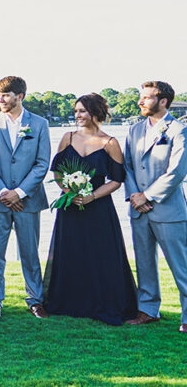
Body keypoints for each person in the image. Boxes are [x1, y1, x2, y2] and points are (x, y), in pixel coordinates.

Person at [42, 94, 137, 325]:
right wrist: (69, 192)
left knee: (101, 255)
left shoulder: (110, 143)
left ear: (95, 112)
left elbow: (116, 180)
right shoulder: (67, 138)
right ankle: (69, 302)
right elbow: (57, 172)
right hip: (70, 207)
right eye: (76, 111)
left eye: (82, 111)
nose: (78, 115)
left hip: (99, 208)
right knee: (71, 252)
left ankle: (103, 302)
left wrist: (91, 196)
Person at [0, 76, 51, 319]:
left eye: (6, 95)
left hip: (28, 201)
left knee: (30, 253)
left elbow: (42, 164)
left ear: (20, 96)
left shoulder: (39, 124)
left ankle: (35, 300)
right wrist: (3, 192)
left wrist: (19, 193)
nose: (1, 99)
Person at [123, 81, 187, 332]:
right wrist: (134, 197)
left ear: (163, 101)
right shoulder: (134, 129)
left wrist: (147, 196)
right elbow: (127, 166)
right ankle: (148, 310)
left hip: (168, 210)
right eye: (141, 97)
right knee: (144, 263)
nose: (140, 101)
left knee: (181, 266)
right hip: (138, 210)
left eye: (146, 98)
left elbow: (177, 172)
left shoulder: (179, 130)